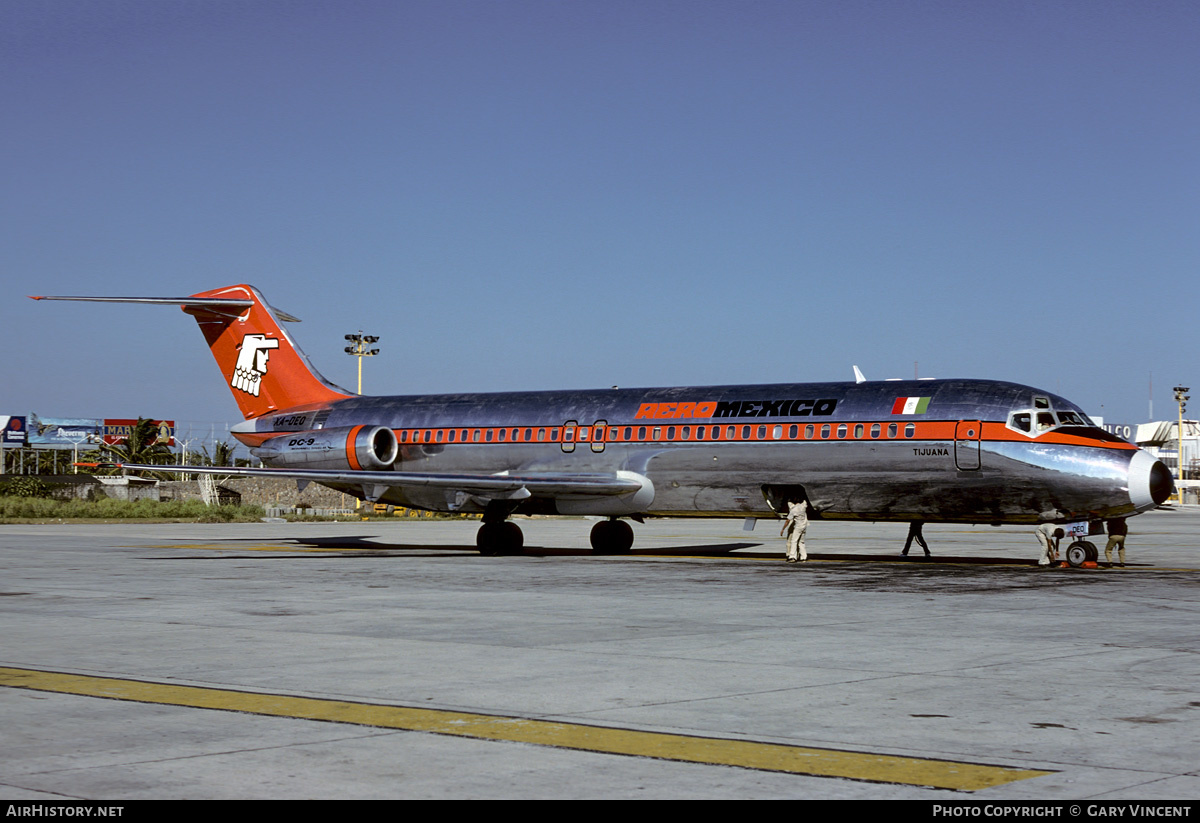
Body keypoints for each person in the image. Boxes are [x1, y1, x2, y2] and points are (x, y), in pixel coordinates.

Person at [780, 496, 808, 562]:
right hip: (804, 526)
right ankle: (803, 557)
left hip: (798, 527)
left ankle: (792, 557)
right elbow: (805, 501)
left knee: (794, 541)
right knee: (801, 542)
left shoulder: (793, 510)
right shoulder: (803, 506)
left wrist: (783, 529)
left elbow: (787, 521)